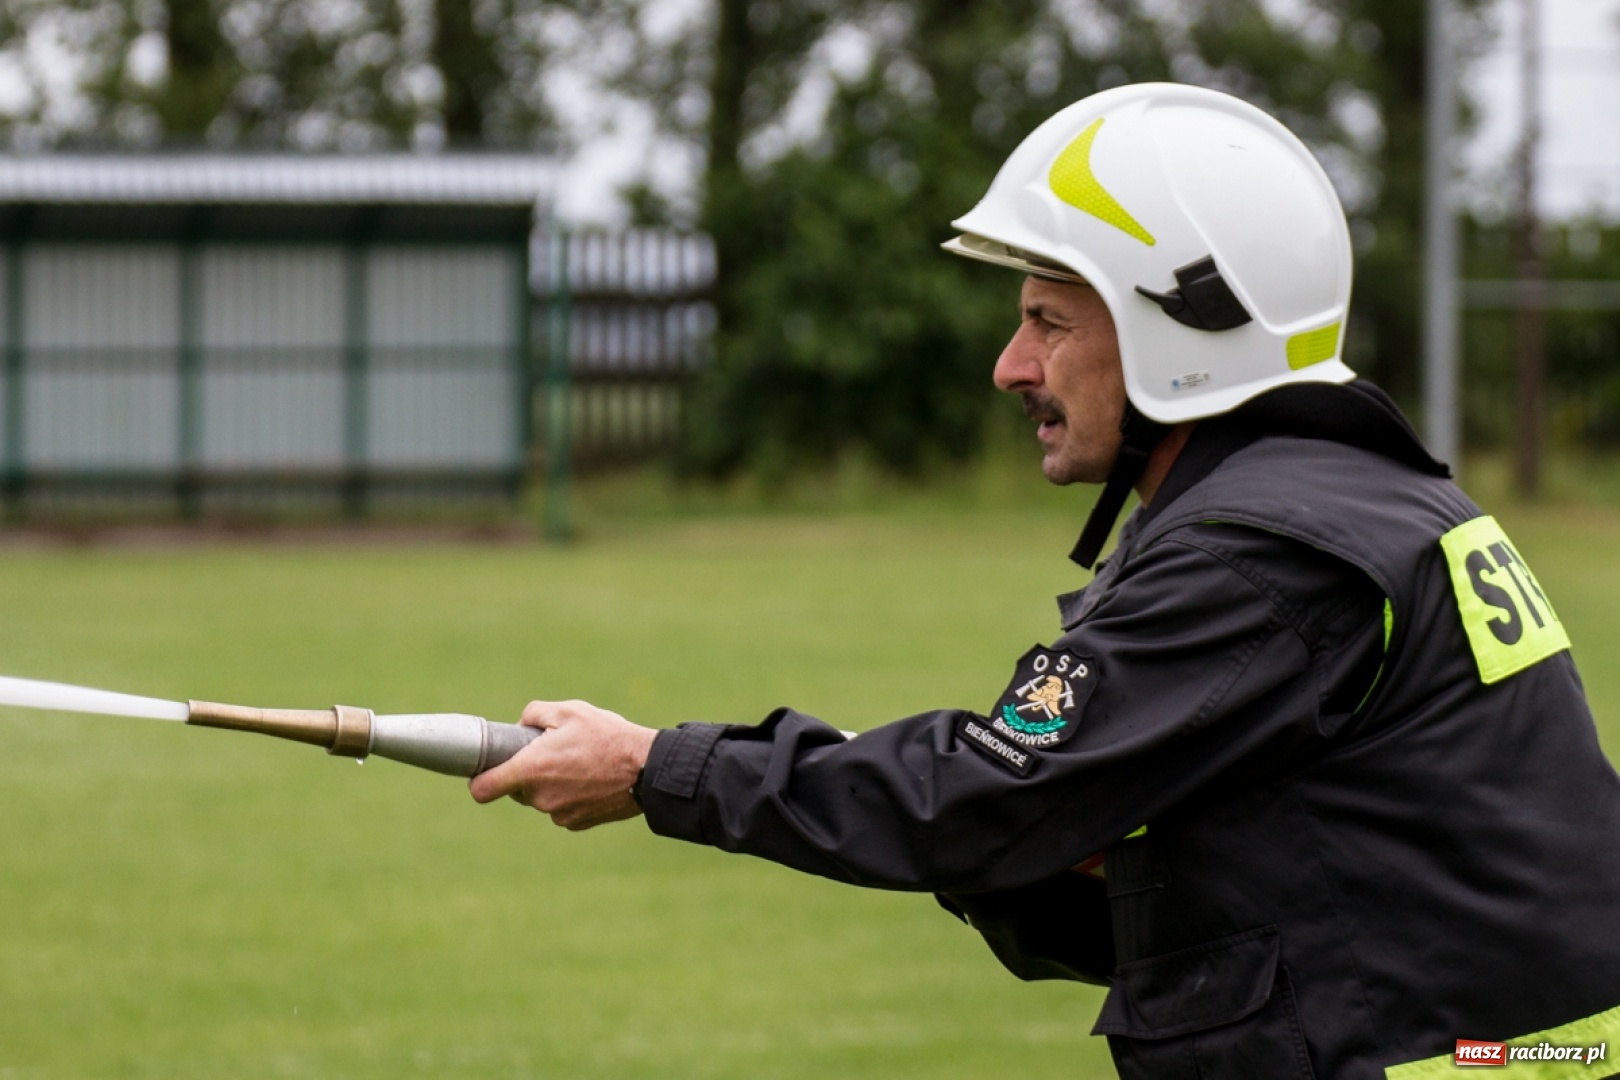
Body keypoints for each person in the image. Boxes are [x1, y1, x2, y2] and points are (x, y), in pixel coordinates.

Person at [470, 83, 1620, 1078]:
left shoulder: (1259, 555)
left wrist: (656, 767)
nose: (1009, 365)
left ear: (1187, 330)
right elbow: (1289, 857)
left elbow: (981, 798)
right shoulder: (1365, 499)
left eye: (1049, 321)